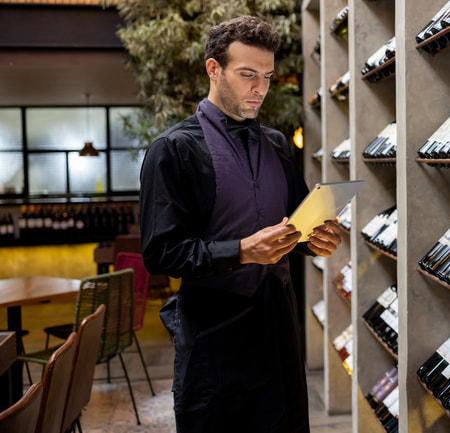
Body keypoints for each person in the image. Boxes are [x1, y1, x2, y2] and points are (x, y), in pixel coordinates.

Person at [139, 16, 342, 433]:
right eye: (248, 75)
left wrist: (315, 238)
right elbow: (161, 252)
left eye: (266, 76)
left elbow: (294, 221)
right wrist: (243, 250)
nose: (261, 89)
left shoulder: (277, 143)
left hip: (278, 331)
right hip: (214, 339)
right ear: (214, 69)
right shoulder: (172, 150)